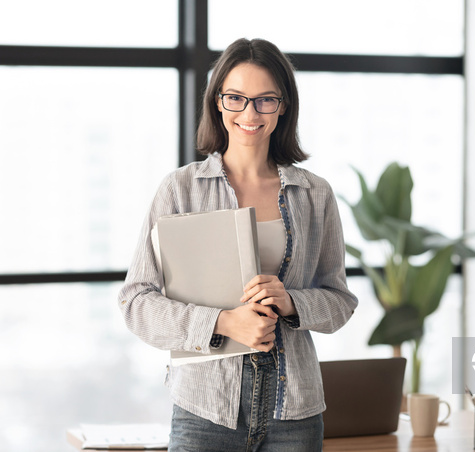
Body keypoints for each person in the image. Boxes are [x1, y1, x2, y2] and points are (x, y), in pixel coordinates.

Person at [118, 38, 357, 452]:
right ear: (217, 103)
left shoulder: (315, 194)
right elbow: (136, 303)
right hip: (204, 412)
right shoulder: (180, 190)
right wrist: (224, 323)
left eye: (265, 100)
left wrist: (292, 302)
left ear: (283, 105)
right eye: (236, 98)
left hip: (294, 415)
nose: (250, 113)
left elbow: (340, 303)